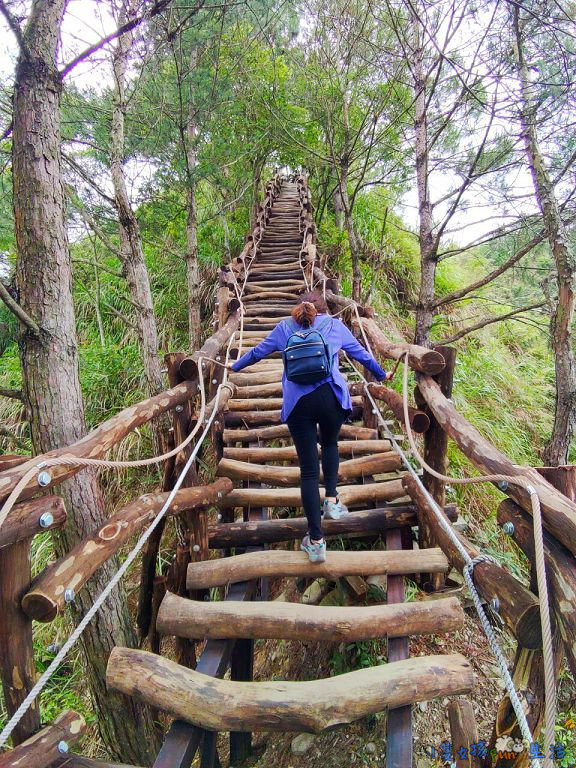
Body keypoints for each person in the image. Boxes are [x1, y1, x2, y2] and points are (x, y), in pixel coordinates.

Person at [229, 292, 391, 563]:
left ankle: (316, 542)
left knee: (308, 471)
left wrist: (235, 366)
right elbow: (361, 354)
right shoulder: (335, 326)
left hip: (298, 403)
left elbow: (258, 352)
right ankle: (332, 501)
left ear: (298, 309)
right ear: (325, 310)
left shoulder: (284, 328)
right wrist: (382, 374)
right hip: (331, 397)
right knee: (330, 444)